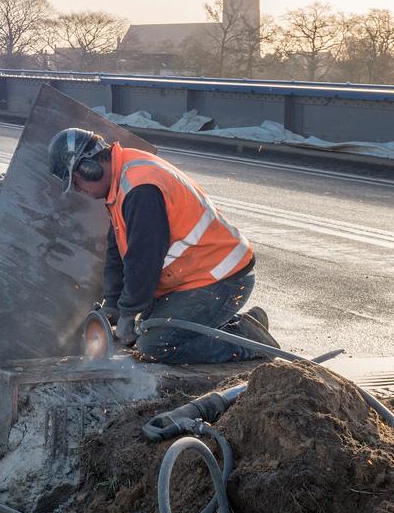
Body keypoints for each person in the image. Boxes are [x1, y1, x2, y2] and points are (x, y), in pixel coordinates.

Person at [47, 127, 274, 363]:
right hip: (194, 278)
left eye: (75, 182)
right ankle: (246, 323)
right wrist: (113, 304)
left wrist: (128, 312)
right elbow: (117, 253)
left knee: (155, 346)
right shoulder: (121, 180)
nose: (78, 190)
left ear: (89, 169)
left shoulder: (139, 189)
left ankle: (250, 341)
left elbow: (143, 260)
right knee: (144, 331)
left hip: (222, 278)